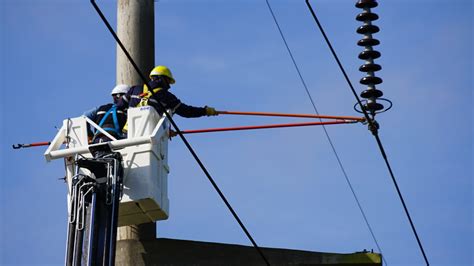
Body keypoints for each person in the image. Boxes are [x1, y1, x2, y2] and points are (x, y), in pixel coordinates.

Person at [117, 65, 218, 118]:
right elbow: (186, 111)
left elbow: (119, 106)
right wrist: (205, 111)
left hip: (127, 134)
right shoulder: (166, 96)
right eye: (168, 81)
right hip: (149, 135)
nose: (169, 86)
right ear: (161, 79)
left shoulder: (134, 89)